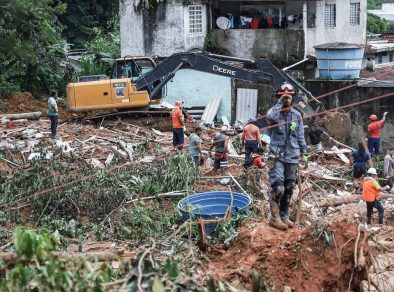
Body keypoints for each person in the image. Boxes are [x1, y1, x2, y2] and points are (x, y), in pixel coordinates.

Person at [266, 91, 308, 231]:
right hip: (277, 155)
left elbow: (300, 135)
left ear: (293, 99)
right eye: (284, 96)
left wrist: (304, 152)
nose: (287, 99)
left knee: (289, 186)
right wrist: (280, 103)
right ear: (280, 98)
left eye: (289, 97)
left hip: (292, 155)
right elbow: (269, 117)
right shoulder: (274, 112)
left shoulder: (296, 115)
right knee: (278, 187)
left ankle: (284, 215)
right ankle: (274, 218)